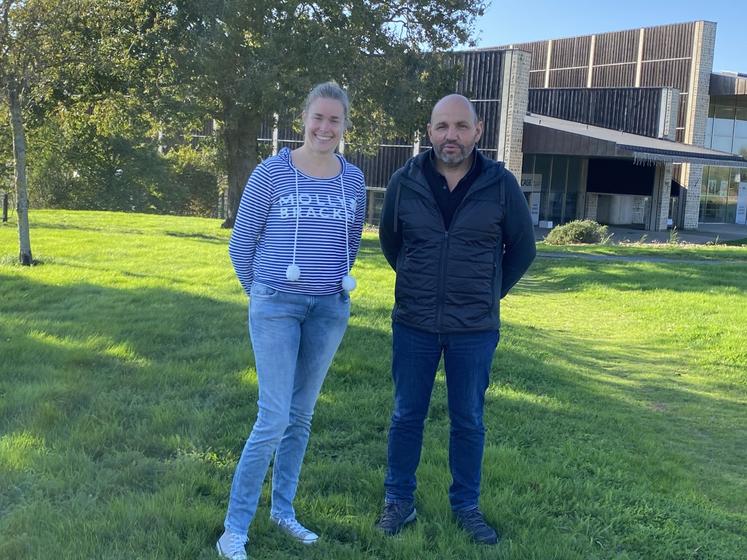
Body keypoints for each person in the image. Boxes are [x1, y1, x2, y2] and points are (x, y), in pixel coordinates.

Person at [376, 94, 536, 545]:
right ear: (429, 131)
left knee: (468, 419)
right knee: (407, 414)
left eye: (461, 127)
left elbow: (522, 250)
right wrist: (419, 284)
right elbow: (393, 244)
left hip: (475, 330)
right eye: (443, 126)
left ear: (478, 131)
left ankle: (466, 505)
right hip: (415, 323)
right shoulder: (404, 182)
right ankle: (398, 501)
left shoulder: (501, 184)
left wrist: (488, 293)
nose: (452, 135)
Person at [217, 82, 366, 560]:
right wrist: (261, 295)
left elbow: (352, 243)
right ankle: (234, 530)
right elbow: (241, 245)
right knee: (273, 416)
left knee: (301, 417)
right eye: (318, 118)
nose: (325, 128)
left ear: (344, 125)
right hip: (277, 306)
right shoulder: (272, 173)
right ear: (303, 118)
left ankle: (283, 511)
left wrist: (335, 286)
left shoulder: (354, 179)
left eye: (335, 120)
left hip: (329, 309)